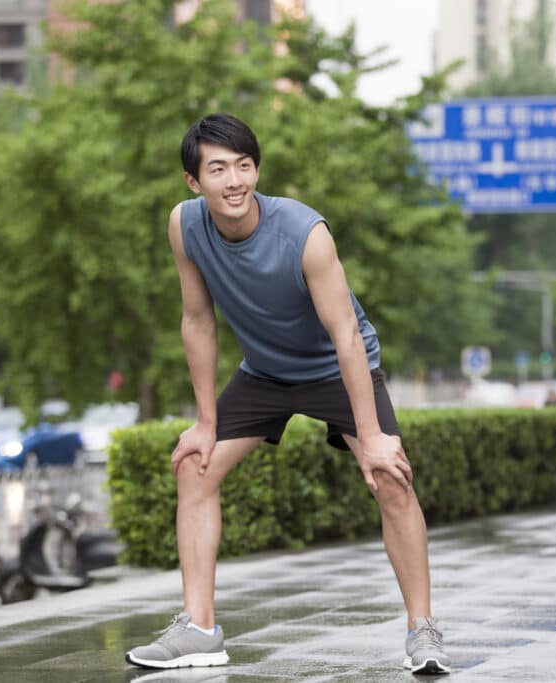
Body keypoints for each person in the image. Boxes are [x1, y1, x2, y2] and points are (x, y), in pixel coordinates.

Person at [124, 113, 450, 675]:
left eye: (244, 166)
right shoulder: (185, 226)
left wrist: (370, 437)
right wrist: (205, 422)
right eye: (218, 169)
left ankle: (422, 631)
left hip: (335, 368)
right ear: (193, 181)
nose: (234, 181)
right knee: (195, 468)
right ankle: (199, 629)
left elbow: (346, 335)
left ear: (257, 170)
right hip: (266, 372)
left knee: (390, 480)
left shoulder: (303, 232)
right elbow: (197, 319)